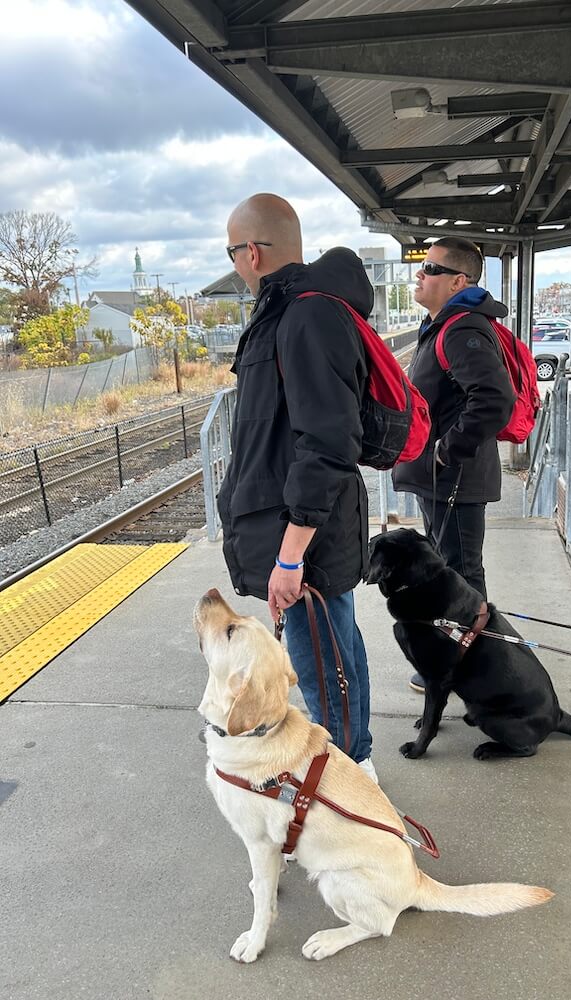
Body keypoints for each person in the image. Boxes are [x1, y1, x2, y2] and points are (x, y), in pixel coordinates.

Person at [217, 193, 377, 783]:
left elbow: (328, 441)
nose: (235, 262)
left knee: (324, 665)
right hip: (306, 530)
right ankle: (356, 763)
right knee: (338, 653)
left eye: (233, 251)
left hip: (305, 538)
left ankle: (349, 780)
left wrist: (289, 554)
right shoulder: (294, 313)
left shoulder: (304, 316)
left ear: (251, 252)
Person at [392, 237, 515, 694]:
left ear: (458, 281)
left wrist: (447, 451)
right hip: (442, 479)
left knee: (461, 578)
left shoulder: (461, 330)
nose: (419, 275)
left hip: (454, 479)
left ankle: (473, 671)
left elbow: (494, 400)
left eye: (429, 268)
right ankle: (461, 665)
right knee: (452, 573)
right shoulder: (444, 325)